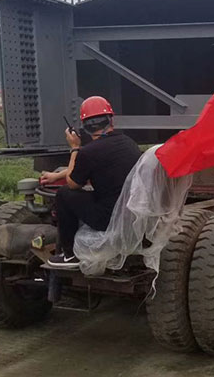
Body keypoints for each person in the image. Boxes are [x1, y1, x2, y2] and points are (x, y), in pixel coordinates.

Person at [40, 96, 141, 266]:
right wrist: (56, 176)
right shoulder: (128, 143)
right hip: (131, 213)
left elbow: (73, 183)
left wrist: (74, 148)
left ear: (85, 127)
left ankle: (69, 254)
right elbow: (96, 164)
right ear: (111, 120)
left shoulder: (88, 152)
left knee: (65, 194)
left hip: (108, 218)